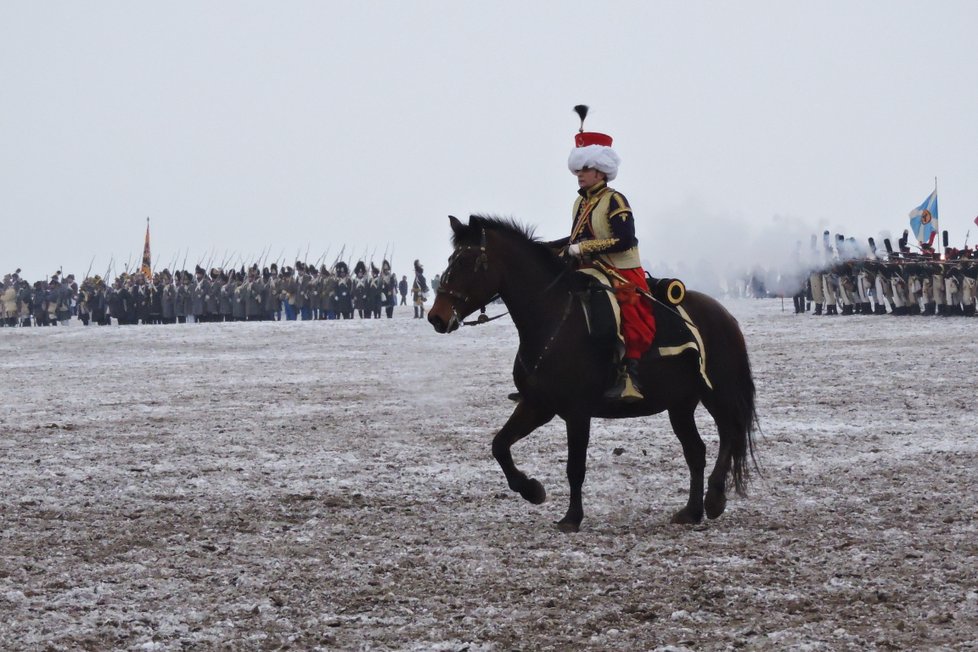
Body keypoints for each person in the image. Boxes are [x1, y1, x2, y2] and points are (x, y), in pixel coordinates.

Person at [557, 105, 656, 402]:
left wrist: (582, 248)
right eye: (577, 169)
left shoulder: (615, 200)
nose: (579, 175)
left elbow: (625, 239)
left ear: (601, 170)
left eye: (584, 169)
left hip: (620, 271)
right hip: (589, 270)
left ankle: (630, 375)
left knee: (624, 314)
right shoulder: (579, 204)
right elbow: (576, 238)